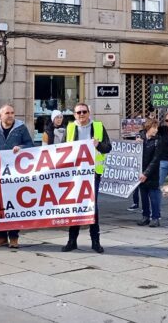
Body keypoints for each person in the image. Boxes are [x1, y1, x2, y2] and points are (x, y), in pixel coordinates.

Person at [61, 103, 112, 254]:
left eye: (84, 112)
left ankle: (95, 242)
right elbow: (62, 150)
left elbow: (108, 147)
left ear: (89, 113)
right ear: (74, 114)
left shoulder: (98, 126)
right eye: (78, 112)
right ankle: (72, 241)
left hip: (93, 174)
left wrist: (98, 145)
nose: (81, 114)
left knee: (92, 207)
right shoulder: (70, 128)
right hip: (75, 174)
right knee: (75, 206)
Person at [0, 104, 34, 249]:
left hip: (15, 174)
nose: (10, 115)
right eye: (7, 113)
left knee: (14, 205)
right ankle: (1, 237)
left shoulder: (21, 128)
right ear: (1, 115)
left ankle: (13, 237)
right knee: (0, 205)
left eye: (12, 113)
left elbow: (30, 144)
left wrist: (21, 148)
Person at [136, 119, 162, 227]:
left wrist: (146, 173)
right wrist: (136, 143)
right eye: (154, 128)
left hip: (151, 174)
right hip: (140, 172)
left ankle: (155, 217)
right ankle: (145, 216)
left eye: (157, 128)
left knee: (154, 196)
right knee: (144, 196)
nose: (156, 130)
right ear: (148, 128)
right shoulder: (141, 137)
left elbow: (155, 159)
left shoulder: (158, 140)